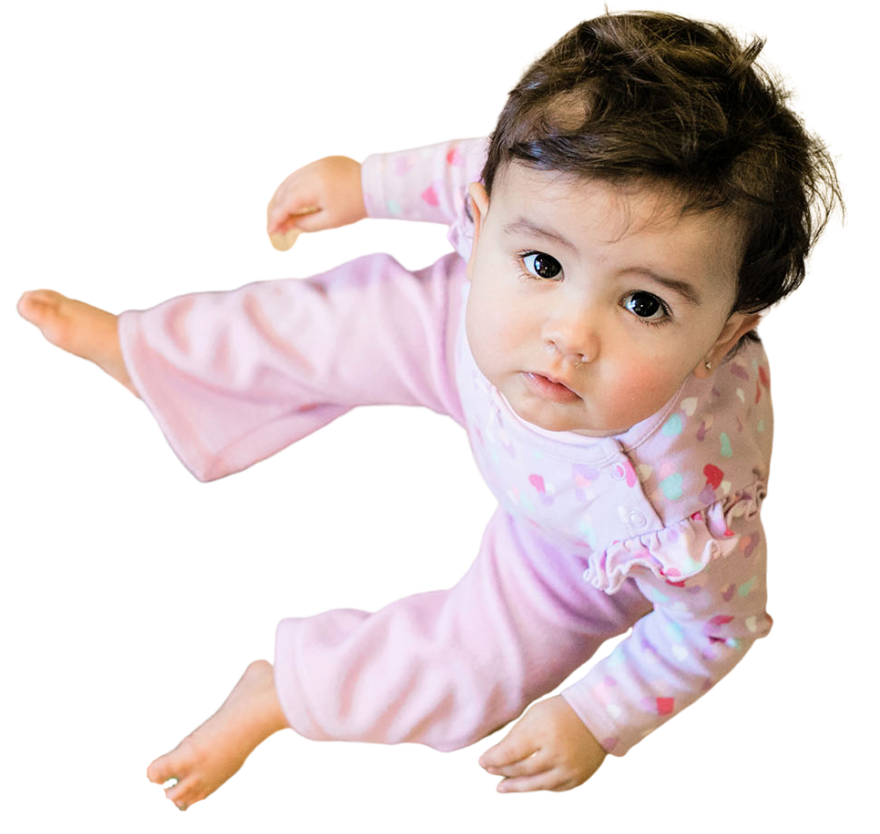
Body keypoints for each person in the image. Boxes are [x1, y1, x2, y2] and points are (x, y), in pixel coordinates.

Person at [13, 5, 846, 810]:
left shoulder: (688, 512)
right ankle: (156, 354)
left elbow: (716, 630)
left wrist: (599, 716)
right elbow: (480, 164)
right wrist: (367, 183)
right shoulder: (528, 208)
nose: (569, 338)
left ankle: (290, 695)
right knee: (325, 322)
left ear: (727, 334)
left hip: (578, 525)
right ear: (484, 227)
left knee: (475, 670)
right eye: (545, 266)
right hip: (470, 350)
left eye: (644, 307)